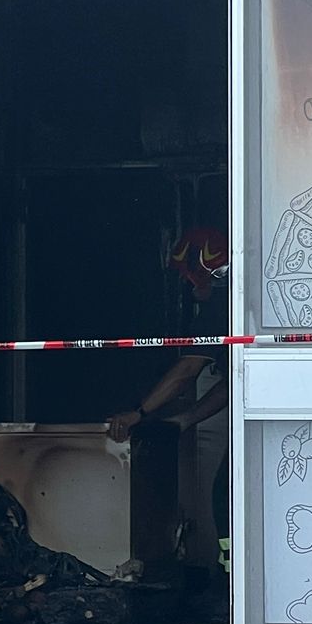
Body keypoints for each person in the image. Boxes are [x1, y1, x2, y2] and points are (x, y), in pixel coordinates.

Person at [106, 228, 231, 574]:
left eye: (189, 278)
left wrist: (139, 413)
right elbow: (233, 385)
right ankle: (231, 578)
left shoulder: (221, 308)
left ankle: (232, 581)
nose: (189, 288)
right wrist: (184, 419)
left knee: (227, 496)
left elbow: (186, 371)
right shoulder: (242, 303)